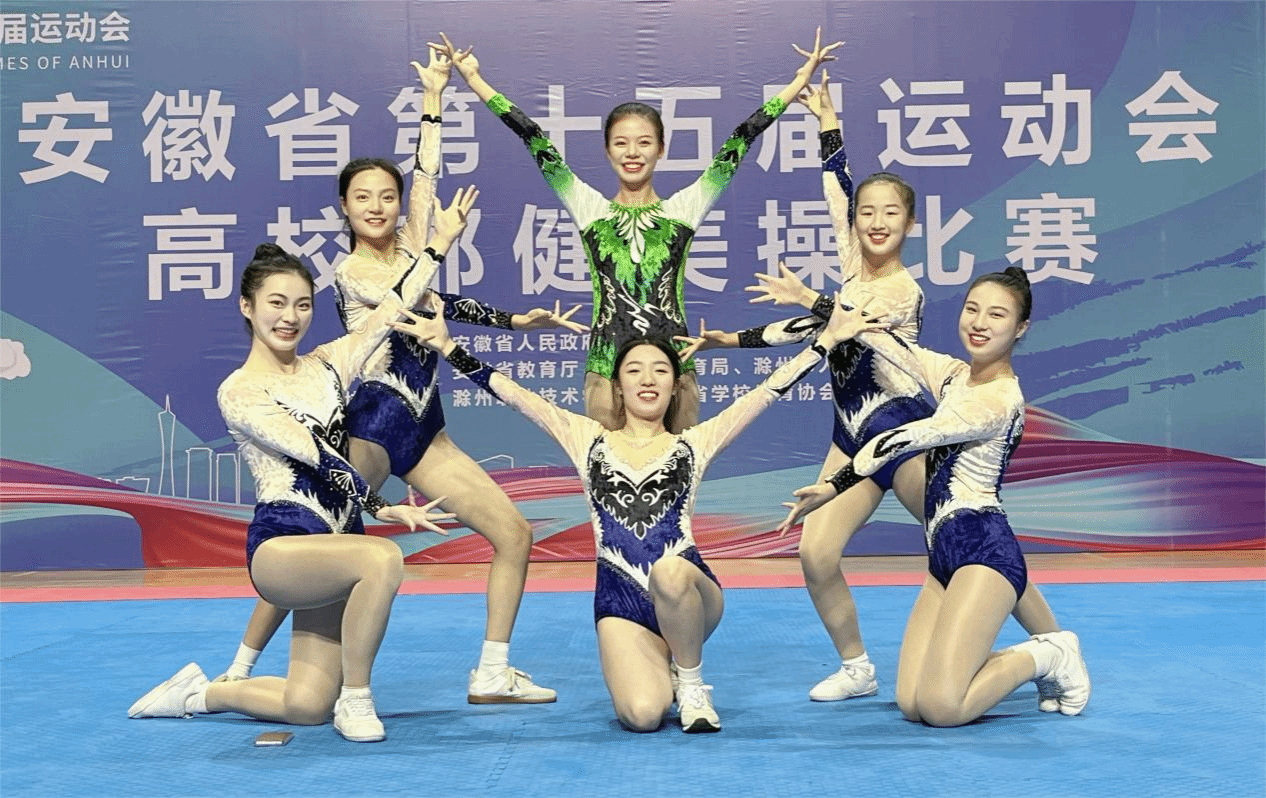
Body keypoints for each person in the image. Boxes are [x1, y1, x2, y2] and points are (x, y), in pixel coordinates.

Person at [217, 49, 583, 705]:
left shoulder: (415, 249)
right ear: (344, 207)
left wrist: (435, 96)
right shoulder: (352, 272)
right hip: (376, 425)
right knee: (318, 530)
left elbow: (427, 183)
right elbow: (410, 301)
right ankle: (240, 669)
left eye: (387, 196)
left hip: (426, 426)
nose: (379, 206)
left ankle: (492, 670)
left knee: (515, 533)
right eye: (363, 197)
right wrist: (439, 246)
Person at [683, 74, 1061, 702]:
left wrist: (809, 298)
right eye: (868, 213)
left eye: (891, 214)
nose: (875, 222)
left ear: (910, 224)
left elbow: (843, 324)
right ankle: (857, 666)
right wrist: (827, 121)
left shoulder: (902, 291)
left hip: (905, 436)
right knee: (815, 551)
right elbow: (833, 228)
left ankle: (1053, 641)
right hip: (850, 435)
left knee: (967, 538)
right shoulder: (852, 268)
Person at [389, 286, 867, 733]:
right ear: (617, 386)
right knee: (642, 715)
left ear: (676, 386)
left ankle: (692, 683)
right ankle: (664, 661)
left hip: (690, 592)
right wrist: (448, 347)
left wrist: (826, 341)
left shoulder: (695, 443)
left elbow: (767, 391)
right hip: (620, 599)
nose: (648, 379)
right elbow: (514, 394)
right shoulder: (586, 438)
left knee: (669, 572)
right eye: (634, 370)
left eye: (661, 370)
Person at [129, 185, 475, 743]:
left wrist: (437, 246)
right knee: (383, 558)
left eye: (302, 305)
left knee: (306, 705)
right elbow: (315, 450)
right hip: (281, 552)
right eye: (276, 303)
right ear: (247, 306)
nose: (290, 317)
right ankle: (357, 700)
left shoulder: (329, 363)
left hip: (334, 553)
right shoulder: (239, 391)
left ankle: (201, 694)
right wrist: (382, 506)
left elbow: (393, 309)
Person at [434, 28, 840, 433]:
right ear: (607, 150)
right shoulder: (589, 208)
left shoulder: (685, 209)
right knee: (604, 467)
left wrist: (797, 83)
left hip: (675, 364)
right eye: (621, 143)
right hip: (604, 365)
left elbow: (741, 138)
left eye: (644, 143)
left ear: (661, 149)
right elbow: (533, 137)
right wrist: (475, 80)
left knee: (683, 464)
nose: (632, 153)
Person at [778, 267, 1091, 727]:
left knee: (943, 708)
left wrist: (832, 486)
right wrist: (813, 299)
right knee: (912, 703)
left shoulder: (997, 399)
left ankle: (1050, 655)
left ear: (1021, 327)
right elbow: (885, 342)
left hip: (985, 551)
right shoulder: (956, 377)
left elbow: (900, 440)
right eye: (972, 309)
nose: (979, 323)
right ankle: (1030, 654)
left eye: (997, 315)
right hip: (942, 556)